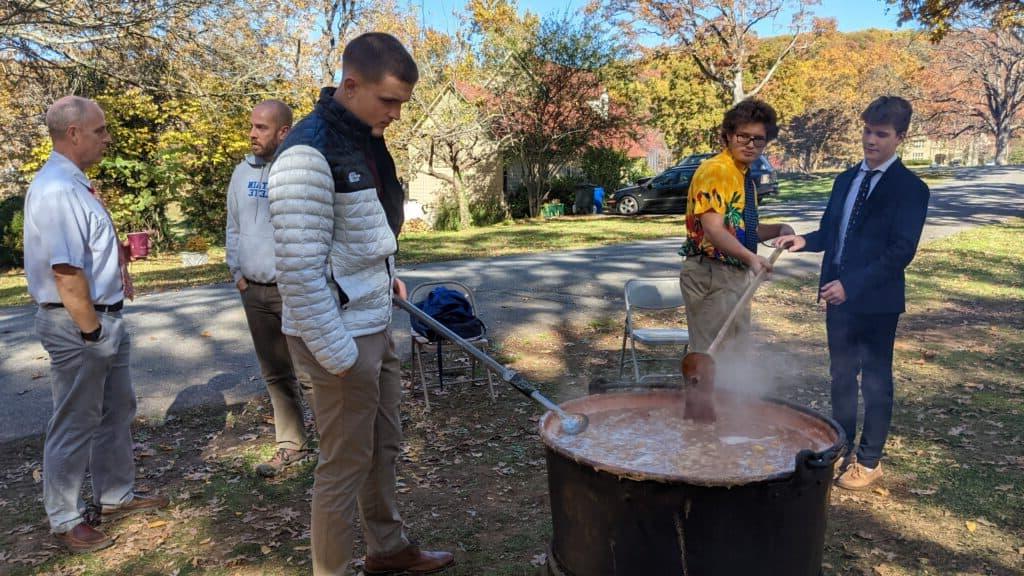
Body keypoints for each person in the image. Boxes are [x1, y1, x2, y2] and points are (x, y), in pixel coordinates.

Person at [267, 33, 454, 575]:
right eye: (389, 101)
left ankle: (387, 551)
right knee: (343, 465)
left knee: (383, 447)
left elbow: (357, 235)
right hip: (339, 338)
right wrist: (342, 357)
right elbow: (299, 274)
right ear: (350, 85)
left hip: (371, 320)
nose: (396, 114)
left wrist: (383, 278)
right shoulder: (307, 152)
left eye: (402, 103)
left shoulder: (365, 137)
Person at [23, 96, 168, 553]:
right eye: (100, 130)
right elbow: (65, 273)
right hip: (79, 325)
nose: (107, 137)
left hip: (102, 318)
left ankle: (114, 495)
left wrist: (117, 256)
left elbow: (81, 255)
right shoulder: (57, 190)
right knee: (75, 420)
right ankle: (65, 519)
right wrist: (92, 333)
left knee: (115, 411)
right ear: (73, 134)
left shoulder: (76, 184)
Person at [774, 96, 929, 491]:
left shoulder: (911, 189)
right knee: (841, 376)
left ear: (900, 137)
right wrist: (802, 240)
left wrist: (852, 285)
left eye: (881, 134)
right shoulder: (846, 179)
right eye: (867, 131)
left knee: (875, 380)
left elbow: (900, 252)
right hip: (836, 298)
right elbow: (831, 233)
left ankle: (869, 460)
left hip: (876, 303)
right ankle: (840, 445)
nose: (871, 140)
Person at [226, 99, 313, 478]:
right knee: (276, 374)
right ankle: (291, 445)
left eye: (262, 127)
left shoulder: (300, 172)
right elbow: (233, 227)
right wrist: (237, 273)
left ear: (284, 132)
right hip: (254, 291)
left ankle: (335, 448)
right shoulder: (240, 174)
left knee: (312, 374)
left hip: (293, 290)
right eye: (252, 125)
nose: (252, 134)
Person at [678, 99, 794, 353]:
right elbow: (714, 229)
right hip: (711, 274)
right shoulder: (716, 171)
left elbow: (740, 230)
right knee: (712, 357)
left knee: (734, 353)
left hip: (733, 274)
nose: (750, 145)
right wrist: (752, 258)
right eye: (743, 137)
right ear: (728, 136)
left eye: (758, 139)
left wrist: (779, 229)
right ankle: (704, 395)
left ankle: (731, 395)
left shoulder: (741, 175)